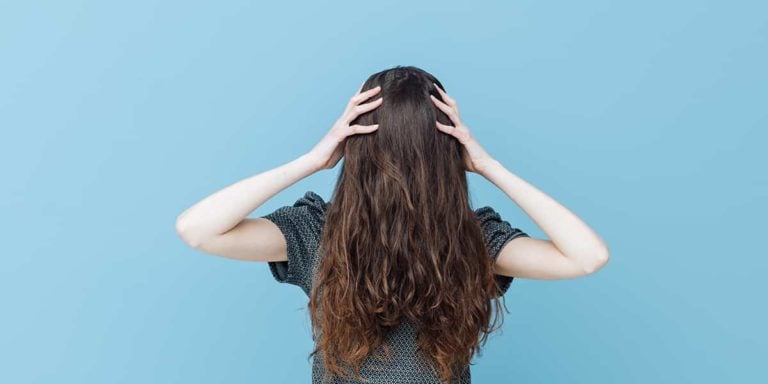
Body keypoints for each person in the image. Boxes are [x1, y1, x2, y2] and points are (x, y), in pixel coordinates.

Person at [175, 65, 610, 384]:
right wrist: (486, 164)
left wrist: (314, 160)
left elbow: (587, 256)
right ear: (446, 152)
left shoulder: (470, 239)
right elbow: (199, 229)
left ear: (356, 150)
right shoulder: (321, 232)